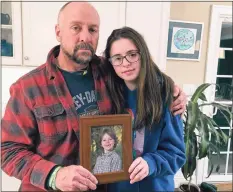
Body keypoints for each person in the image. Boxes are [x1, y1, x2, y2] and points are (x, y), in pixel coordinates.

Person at [1, 2, 187, 192]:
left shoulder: (110, 72)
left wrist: (171, 89)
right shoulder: (27, 88)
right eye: (76, 28)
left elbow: (143, 72)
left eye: (92, 29)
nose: (85, 37)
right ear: (58, 32)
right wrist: (55, 175)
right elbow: (7, 151)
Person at [102, 26, 186, 192]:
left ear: (143, 55)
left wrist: (151, 163)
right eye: (117, 58)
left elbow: (176, 154)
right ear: (110, 63)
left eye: (132, 55)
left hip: (154, 187)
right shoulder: (106, 93)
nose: (125, 63)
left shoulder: (166, 94)